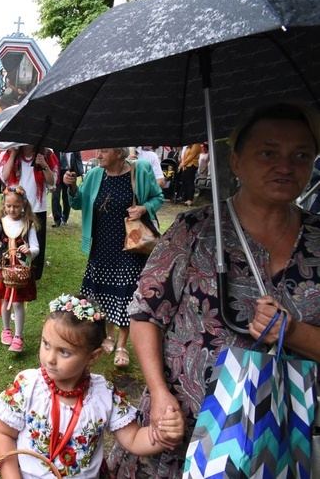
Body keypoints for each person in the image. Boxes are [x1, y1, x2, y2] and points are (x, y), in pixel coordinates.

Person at [108, 102, 320, 477]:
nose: (286, 166)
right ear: (236, 162)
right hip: (179, 427)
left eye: (301, 155)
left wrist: (294, 333)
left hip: (278, 435)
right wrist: (158, 392)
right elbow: (145, 313)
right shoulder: (195, 229)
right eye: (268, 152)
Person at [0, 294, 184, 479]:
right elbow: (4, 433)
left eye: (64, 352)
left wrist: (162, 435)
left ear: (93, 357)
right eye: (46, 344)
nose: (49, 359)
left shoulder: (104, 395)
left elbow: (133, 438)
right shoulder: (27, 386)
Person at [63, 148, 163, 368]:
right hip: (101, 245)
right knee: (103, 291)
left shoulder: (141, 170)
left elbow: (158, 197)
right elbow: (78, 202)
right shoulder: (94, 175)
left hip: (130, 246)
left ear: (119, 153)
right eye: (98, 151)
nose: (98, 155)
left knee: (125, 293)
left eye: (104, 151)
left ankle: (122, 345)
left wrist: (144, 208)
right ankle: (108, 335)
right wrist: (70, 185)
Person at [0, 185, 40, 353]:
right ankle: (6, 329)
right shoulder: (0, 224)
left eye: (16, 206)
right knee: (4, 301)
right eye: (9, 206)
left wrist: (29, 251)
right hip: (3, 271)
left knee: (18, 303)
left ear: (23, 205)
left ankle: (18, 336)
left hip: (21, 271)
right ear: (3, 205)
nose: (12, 209)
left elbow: (36, 248)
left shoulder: (28, 224)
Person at [0, 144, 59, 280]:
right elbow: (4, 176)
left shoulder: (46, 153)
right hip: (14, 206)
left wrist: (44, 165)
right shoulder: (10, 152)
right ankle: (11, 270)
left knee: (35, 241)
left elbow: (51, 182)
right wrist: (13, 155)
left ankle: (33, 274)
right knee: (13, 240)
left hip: (37, 207)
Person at [51, 150, 84, 227]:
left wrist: (81, 172)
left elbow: (78, 159)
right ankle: (57, 220)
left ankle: (65, 218)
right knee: (55, 197)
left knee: (66, 198)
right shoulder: (55, 147)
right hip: (57, 173)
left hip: (68, 173)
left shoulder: (74, 148)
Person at [177, 142, 202, 206]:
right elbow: (184, 155)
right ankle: (185, 198)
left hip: (192, 165)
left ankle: (190, 199)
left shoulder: (196, 145)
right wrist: (183, 164)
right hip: (185, 165)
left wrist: (182, 164)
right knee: (184, 181)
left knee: (189, 182)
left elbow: (191, 156)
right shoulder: (189, 145)